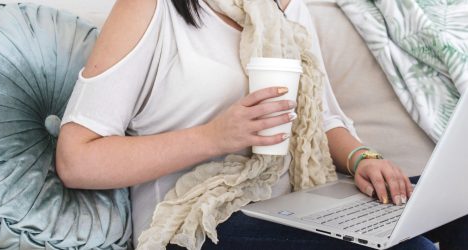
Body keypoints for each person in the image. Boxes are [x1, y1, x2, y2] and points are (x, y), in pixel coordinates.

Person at [55, 0, 466, 249]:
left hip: (296, 202)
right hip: (201, 223)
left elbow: (321, 117)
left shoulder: (287, 8)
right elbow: (77, 160)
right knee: (411, 248)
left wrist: (361, 158)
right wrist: (214, 137)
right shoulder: (151, 9)